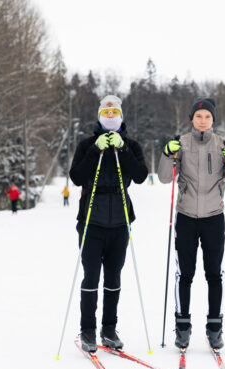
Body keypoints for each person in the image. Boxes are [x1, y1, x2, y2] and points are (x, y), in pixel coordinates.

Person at [157, 98, 225, 350]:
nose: (203, 120)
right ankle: (182, 327)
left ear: (213, 119)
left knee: (214, 274)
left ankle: (214, 328)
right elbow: (165, 178)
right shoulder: (181, 143)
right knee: (184, 274)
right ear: (192, 119)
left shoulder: (223, 145)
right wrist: (167, 154)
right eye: (198, 116)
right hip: (185, 217)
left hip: (213, 217)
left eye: (207, 116)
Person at [69, 95, 148, 352]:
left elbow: (140, 176)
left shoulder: (131, 145)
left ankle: (109, 329)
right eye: (107, 112)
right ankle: (88, 330)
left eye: (115, 112)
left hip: (120, 222)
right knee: (91, 276)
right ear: (100, 116)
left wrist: (122, 149)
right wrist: (96, 150)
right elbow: (77, 177)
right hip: (92, 221)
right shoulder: (87, 144)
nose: (111, 116)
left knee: (113, 277)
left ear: (121, 117)